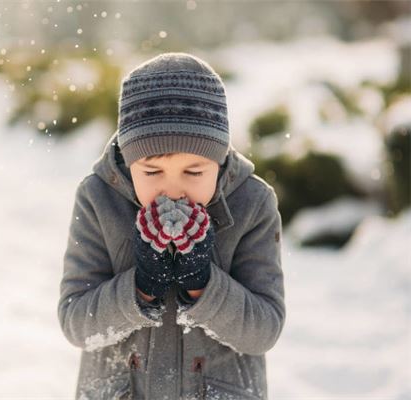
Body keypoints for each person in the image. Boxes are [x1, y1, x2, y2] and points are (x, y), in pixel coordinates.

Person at [58, 52, 285, 400]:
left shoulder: (252, 204)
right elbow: (76, 322)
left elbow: (263, 330)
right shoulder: (99, 198)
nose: (173, 189)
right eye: (151, 172)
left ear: (220, 159)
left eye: (194, 172)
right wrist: (139, 289)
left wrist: (204, 286)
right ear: (129, 161)